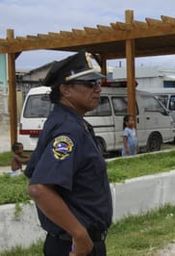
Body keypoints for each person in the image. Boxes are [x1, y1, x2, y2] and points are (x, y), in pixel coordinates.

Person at [25, 51, 113, 256]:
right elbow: (39, 188)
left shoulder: (71, 122)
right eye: (90, 83)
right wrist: (80, 235)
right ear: (65, 89)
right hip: (74, 246)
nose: (98, 89)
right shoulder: (68, 130)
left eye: (99, 83)